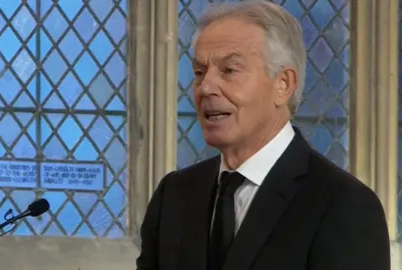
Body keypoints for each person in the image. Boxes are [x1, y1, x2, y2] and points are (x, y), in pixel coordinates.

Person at [135, 1, 390, 270]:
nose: (206, 87)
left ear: (283, 84)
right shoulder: (174, 196)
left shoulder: (344, 206)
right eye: (199, 72)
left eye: (229, 70)